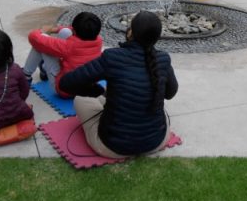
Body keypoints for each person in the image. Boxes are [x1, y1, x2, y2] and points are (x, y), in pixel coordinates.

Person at [60, 11, 178, 158]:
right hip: (156, 142)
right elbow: (170, 93)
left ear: (130, 33)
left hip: (112, 147)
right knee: (153, 101)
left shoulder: (112, 57)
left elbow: (66, 83)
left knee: (80, 99)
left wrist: (96, 90)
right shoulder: (163, 59)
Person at [23, 12, 103, 98]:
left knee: (40, 44)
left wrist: (43, 30)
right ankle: (44, 68)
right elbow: (71, 30)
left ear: (74, 30)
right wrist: (56, 29)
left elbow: (33, 37)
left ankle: (26, 76)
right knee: (65, 31)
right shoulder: (99, 41)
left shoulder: (69, 46)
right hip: (86, 87)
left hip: (64, 90)